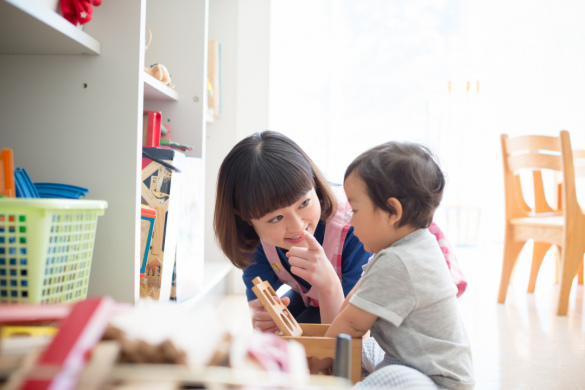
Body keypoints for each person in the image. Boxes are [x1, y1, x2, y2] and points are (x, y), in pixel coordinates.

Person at [213, 131, 466, 333]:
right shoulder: (256, 241)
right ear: (245, 218)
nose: (297, 226)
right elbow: (262, 311)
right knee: (292, 327)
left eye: (304, 203)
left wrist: (329, 284)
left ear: (314, 183)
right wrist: (262, 319)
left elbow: (349, 336)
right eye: (276, 218)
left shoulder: (360, 230)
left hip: (373, 310)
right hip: (329, 304)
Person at [313, 141, 474, 389]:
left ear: (392, 211)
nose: (350, 220)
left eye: (354, 210)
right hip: (405, 360)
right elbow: (353, 304)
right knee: (363, 351)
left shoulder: (399, 261)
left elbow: (352, 325)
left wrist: (316, 366)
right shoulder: (409, 245)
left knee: (390, 378)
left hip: (437, 381)